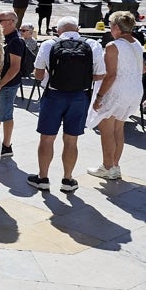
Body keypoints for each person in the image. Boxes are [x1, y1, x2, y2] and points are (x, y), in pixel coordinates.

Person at [28, 17, 105, 194]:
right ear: (77, 29)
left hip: (53, 95)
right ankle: (68, 179)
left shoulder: (49, 44)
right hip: (79, 97)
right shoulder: (92, 45)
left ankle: (43, 178)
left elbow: (38, 75)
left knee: (47, 138)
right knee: (71, 139)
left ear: (58, 31)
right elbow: (100, 74)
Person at [86, 12, 145, 181]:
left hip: (118, 90)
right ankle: (115, 166)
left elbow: (110, 75)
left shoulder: (113, 46)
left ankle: (107, 166)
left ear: (117, 28)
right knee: (118, 128)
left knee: (106, 130)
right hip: (134, 89)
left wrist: (98, 97)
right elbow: (142, 68)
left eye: (111, 26)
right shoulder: (137, 43)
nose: (110, 29)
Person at [0, 12, 25, 158]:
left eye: (0, 20)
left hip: (7, 84)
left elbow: (15, 67)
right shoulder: (3, 38)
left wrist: (0, 84)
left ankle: (6, 146)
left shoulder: (15, 41)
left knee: (5, 115)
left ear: (12, 22)